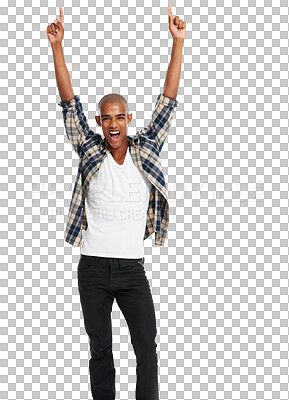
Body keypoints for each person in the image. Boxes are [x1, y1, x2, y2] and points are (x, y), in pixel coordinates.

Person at [47, 5, 186, 400]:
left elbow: (168, 100)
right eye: (106, 118)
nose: (113, 124)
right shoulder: (89, 149)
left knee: (147, 349)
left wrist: (178, 43)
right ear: (99, 121)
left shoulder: (146, 148)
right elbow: (68, 102)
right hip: (92, 268)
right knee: (100, 351)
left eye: (120, 117)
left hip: (131, 271)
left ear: (128, 119)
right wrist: (58, 47)